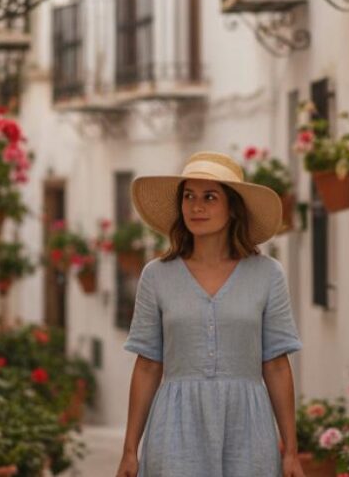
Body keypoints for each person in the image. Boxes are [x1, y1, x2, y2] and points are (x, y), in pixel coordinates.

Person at [115, 151, 305, 477]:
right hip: (175, 426)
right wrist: (130, 450)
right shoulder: (156, 275)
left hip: (249, 427)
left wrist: (291, 451)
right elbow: (147, 365)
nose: (196, 206)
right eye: (188, 196)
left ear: (232, 208)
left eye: (209, 197)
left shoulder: (268, 274)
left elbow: (275, 364)